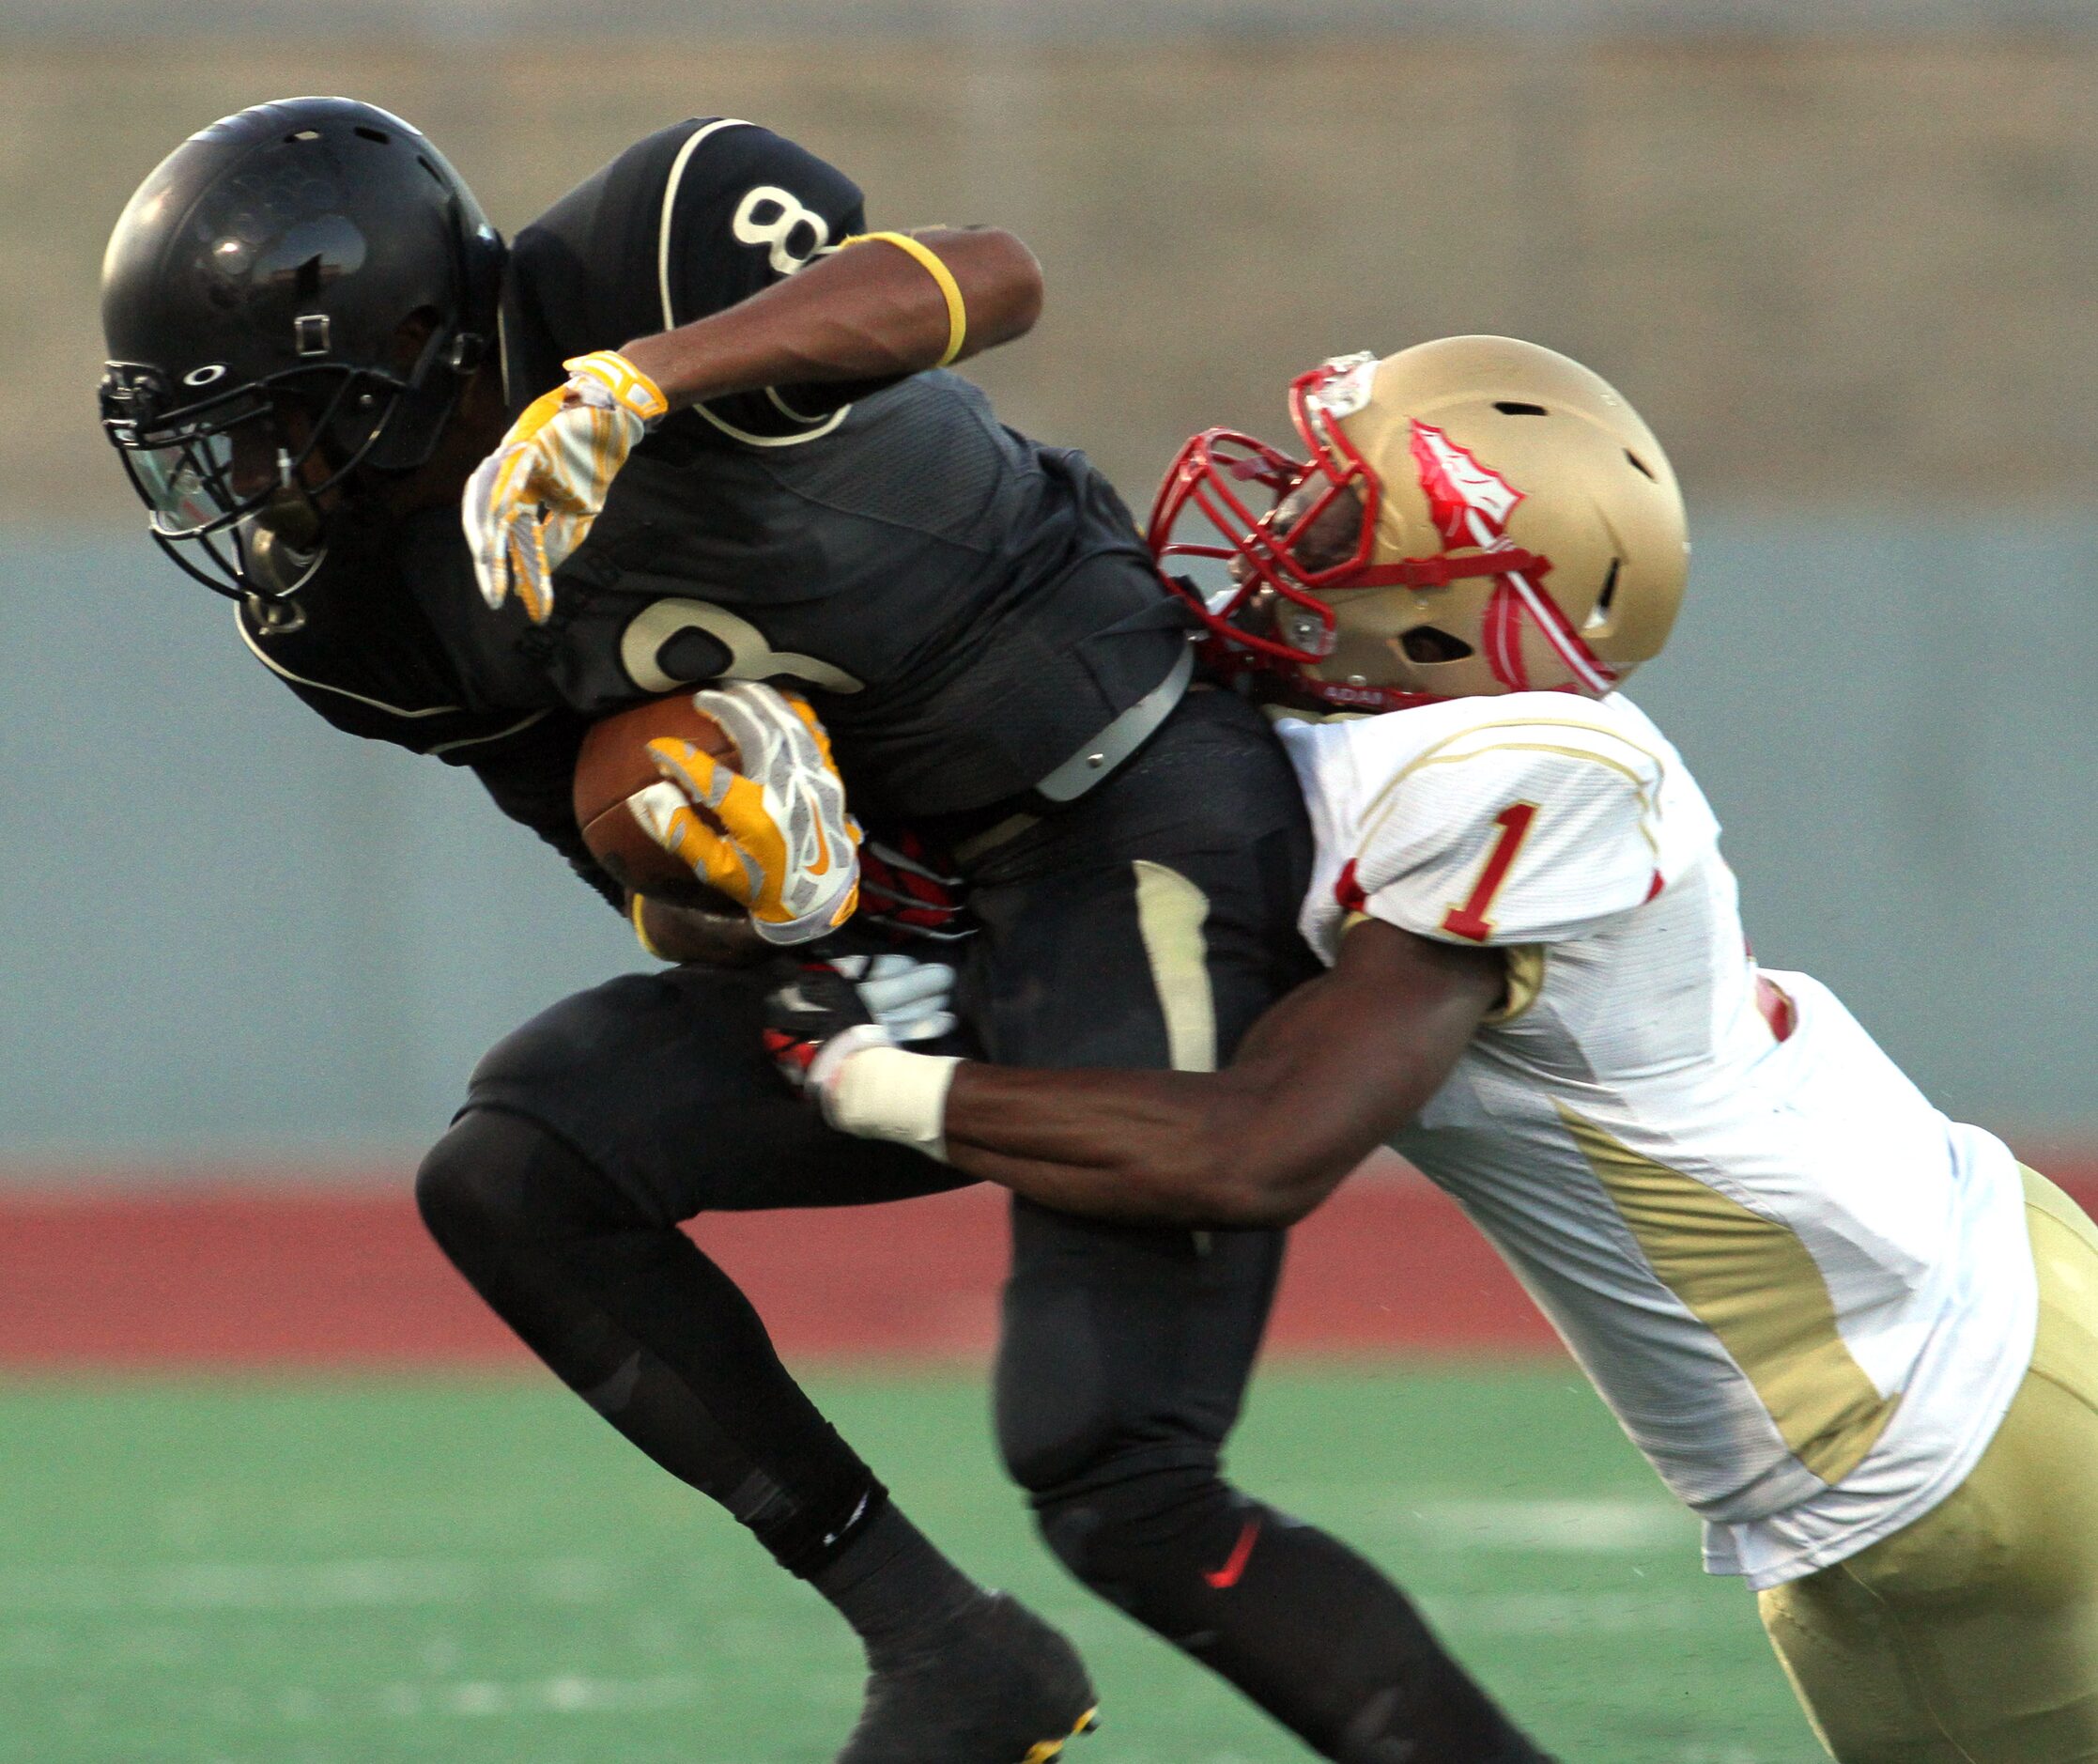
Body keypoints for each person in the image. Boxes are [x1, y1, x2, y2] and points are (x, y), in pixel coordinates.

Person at [99, 100, 1551, 1762]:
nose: (259, 482)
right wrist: (734, 880)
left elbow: (992, 277)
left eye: (288, 421)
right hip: (920, 921)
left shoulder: (641, 251)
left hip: (1132, 816)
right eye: (222, 443)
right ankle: (940, 1643)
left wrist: (649, 377)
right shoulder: (347, 607)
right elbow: (635, 878)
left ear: (420, 337)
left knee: (1115, 1468)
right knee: (515, 1168)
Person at [782, 334, 2098, 1764]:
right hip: (1938, 1369)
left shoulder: (1525, 768)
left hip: (1938, 1424)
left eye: (1335, 511)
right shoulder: (1344, 726)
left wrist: (866, 1078)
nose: (1278, 526)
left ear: (1457, 604)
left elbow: (1256, 1145)